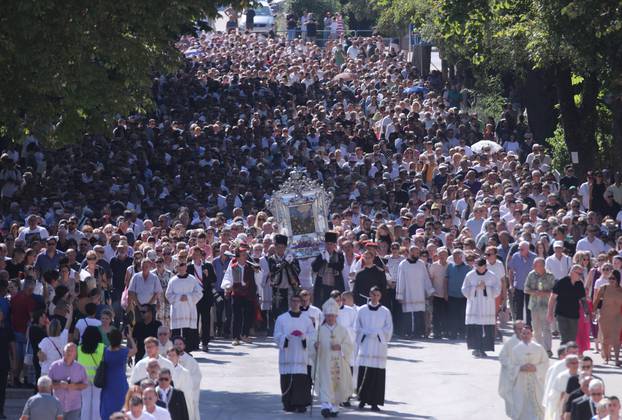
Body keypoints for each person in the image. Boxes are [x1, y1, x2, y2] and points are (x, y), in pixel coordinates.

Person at [273, 294, 315, 413]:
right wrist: (286, 337)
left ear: (301, 303)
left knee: (301, 380)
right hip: (287, 354)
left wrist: (303, 337)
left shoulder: (306, 319)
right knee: (287, 379)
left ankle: (300, 404)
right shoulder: (281, 318)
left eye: (298, 301)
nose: (296, 303)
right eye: (293, 301)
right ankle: (288, 404)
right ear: (290, 302)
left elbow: (313, 335)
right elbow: (276, 335)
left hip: (301, 355)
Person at [313, 298, 353, 418]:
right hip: (324, 362)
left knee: (337, 384)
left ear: (336, 316)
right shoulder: (320, 330)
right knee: (325, 382)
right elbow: (312, 344)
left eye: (332, 316)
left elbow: (349, 346)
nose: (330, 318)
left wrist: (340, 347)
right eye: (328, 316)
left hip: (339, 362)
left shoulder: (342, 330)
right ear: (325, 316)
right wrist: (315, 346)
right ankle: (325, 406)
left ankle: (334, 407)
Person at [355, 286, 393, 411]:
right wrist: (365, 332)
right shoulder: (362, 310)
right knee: (364, 371)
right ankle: (362, 399)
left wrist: (378, 333)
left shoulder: (385, 311)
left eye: (377, 295)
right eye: (373, 294)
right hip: (366, 345)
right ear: (369, 295)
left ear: (380, 296)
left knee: (376, 374)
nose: (375, 297)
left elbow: (389, 329)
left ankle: (375, 402)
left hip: (378, 346)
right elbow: (356, 327)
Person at [221, 245, 261, 346]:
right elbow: (227, 278)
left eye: (245, 255)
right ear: (238, 257)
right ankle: (236, 337)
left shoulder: (251, 267)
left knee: (248, 315)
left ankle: (245, 335)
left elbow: (259, 279)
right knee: (237, 316)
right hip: (237, 294)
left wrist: (257, 272)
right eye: (243, 255)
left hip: (249, 294)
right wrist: (228, 286)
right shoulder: (233, 267)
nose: (245, 257)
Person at [462, 257, 501, 357]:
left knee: (486, 327)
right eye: (477, 266)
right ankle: (475, 348)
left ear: (485, 266)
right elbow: (464, 290)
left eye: (481, 267)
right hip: (474, 305)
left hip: (487, 306)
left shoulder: (492, 276)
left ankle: (484, 348)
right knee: (475, 326)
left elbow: (497, 290)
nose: (479, 269)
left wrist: (486, 288)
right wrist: (475, 288)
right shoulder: (470, 275)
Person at [509, 325, 549, 420]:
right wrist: (520, 368)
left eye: (528, 333)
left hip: (536, 382)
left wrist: (536, 368)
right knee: (521, 404)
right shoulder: (515, 349)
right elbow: (510, 366)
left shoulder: (539, 348)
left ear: (532, 334)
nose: (526, 335)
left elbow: (546, 363)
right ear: (520, 334)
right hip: (520, 382)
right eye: (523, 333)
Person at [396, 245, 435, 338]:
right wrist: (400, 295)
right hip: (407, 293)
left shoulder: (421, 264)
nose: (418, 254)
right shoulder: (403, 264)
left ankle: (419, 332)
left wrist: (429, 291)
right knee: (408, 315)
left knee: (419, 314)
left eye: (418, 253)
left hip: (419, 293)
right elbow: (400, 279)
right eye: (416, 253)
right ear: (410, 252)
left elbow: (426, 278)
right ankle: (408, 332)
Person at [165, 260, 203, 352]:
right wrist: (178, 298)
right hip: (177, 309)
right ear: (176, 268)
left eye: (183, 266)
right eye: (179, 266)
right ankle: (175, 351)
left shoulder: (192, 279)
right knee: (176, 331)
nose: (181, 268)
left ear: (186, 267)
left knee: (188, 331)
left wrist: (189, 297)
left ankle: (187, 351)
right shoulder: (173, 280)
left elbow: (199, 293)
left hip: (189, 309)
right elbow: (168, 294)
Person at [101, 327, 137, 420]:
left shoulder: (105, 351)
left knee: (107, 406)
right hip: (120, 382)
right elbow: (135, 350)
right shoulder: (123, 351)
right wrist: (130, 337)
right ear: (120, 340)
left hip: (108, 383)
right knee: (122, 405)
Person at [186, 246, 216, 352]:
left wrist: (208, 276)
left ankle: (205, 343)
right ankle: (194, 343)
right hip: (194, 297)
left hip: (206, 297)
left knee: (206, 320)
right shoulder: (189, 267)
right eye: (194, 254)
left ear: (201, 255)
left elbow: (214, 279)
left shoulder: (207, 265)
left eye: (198, 254)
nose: (196, 256)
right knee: (194, 320)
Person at [547, 265, 588, 344]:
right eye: (579, 274)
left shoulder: (579, 284)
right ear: (572, 272)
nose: (581, 276)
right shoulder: (561, 282)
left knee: (572, 339)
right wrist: (550, 313)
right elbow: (552, 298)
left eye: (581, 274)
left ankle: (570, 355)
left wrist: (586, 313)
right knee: (565, 338)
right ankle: (563, 355)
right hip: (561, 314)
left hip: (574, 315)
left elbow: (583, 299)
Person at [524, 257, 556, 355]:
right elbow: (525, 289)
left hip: (546, 305)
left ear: (542, 266)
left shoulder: (550, 276)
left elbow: (554, 291)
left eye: (536, 265)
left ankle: (547, 349)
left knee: (546, 328)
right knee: (536, 328)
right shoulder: (531, 274)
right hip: (534, 305)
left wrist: (545, 293)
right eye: (534, 265)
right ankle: (538, 348)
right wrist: (534, 292)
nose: (534, 267)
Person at [48, 343, 88, 420]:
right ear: (63, 352)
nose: (69, 353)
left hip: (74, 406)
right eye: (68, 350)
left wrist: (74, 386)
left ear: (75, 353)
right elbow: (47, 384)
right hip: (57, 406)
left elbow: (85, 384)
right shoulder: (54, 366)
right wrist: (59, 384)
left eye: (72, 351)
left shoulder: (80, 368)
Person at [592, 270, 622, 365]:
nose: (611, 280)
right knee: (605, 338)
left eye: (613, 278)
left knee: (616, 338)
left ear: (618, 279)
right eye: (609, 278)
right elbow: (596, 301)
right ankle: (606, 358)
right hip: (604, 316)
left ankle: (617, 359)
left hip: (618, 316)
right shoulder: (603, 288)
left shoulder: (621, 290)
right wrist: (592, 312)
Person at [267, 235, 301, 318]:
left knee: (291, 311)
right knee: (277, 312)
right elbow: (274, 270)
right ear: (275, 247)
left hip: (290, 288)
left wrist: (291, 263)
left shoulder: (291, 257)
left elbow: (298, 271)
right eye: (278, 247)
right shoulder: (272, 259)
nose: (280, 249)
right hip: (278, 288)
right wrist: (285, 262)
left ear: (285, 247)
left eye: (283, 247)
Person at [77, 326, 105, 420]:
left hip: (83, 380)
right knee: (97, 402)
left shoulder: (79, 349)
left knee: (85, 403)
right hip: (98, 379)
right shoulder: (102, 348)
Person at [498, 320, 525, 417]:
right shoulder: (510, 343)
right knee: (513, 404)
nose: (522, 330)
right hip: (512, 378)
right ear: (514, 330)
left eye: (524, 328)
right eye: (519, 328)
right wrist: (516, 367)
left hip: (526, 378)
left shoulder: (531, 341)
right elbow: (502, 357)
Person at [507, 241, 537, 325]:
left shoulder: (534, 257)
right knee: (518, 307)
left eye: (522, 249)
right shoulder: (515, 256)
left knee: (529, 307)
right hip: (519, 286)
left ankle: (529, 326)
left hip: (531, 287)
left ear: (527, 249)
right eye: (519, 249)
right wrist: (511, 284)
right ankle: (519, 327)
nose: (520, 250)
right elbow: (511, 271)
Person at [172, 336, 201, 420]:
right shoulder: (169, 359)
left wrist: (183, 385)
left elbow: (196, 379)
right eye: (176, 344)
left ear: (184, 346)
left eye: (180, 344)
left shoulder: (191, 361)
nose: (178, 346)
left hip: (187, 394)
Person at [312, 232, 345, 305]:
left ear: (334, 245)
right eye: (327, 244)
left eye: (331, 244)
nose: (329, 246)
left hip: (335, 284)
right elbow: (314, 268)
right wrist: (322, 259)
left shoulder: (339, 255)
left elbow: (340, 267)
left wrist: (329, 262)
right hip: (322, 286)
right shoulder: (321, 255)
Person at [446, 249, 470, 339]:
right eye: (454, 257)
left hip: (464, 296)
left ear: (461, 257)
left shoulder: (468, 268)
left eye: (457, 257)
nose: (456, 258)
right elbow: (446, 280)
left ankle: (463, 333)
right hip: (452, 295)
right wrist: (445, 293)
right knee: (452, 315)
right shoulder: (450, 266)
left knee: (462, 315)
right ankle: (453, 333)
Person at [165, 349, 195, 420]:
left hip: (178, 403)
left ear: (178, 357)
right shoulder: (161, 370)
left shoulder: (184, 372)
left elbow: (188, 393)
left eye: (173, 355)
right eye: (169, 355)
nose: (171, 357)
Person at [0, 308, 15, 419]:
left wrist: (14, 360)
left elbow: (12, 345)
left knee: (2, 389)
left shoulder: (7, 329)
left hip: (4, 362)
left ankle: (1, 411)